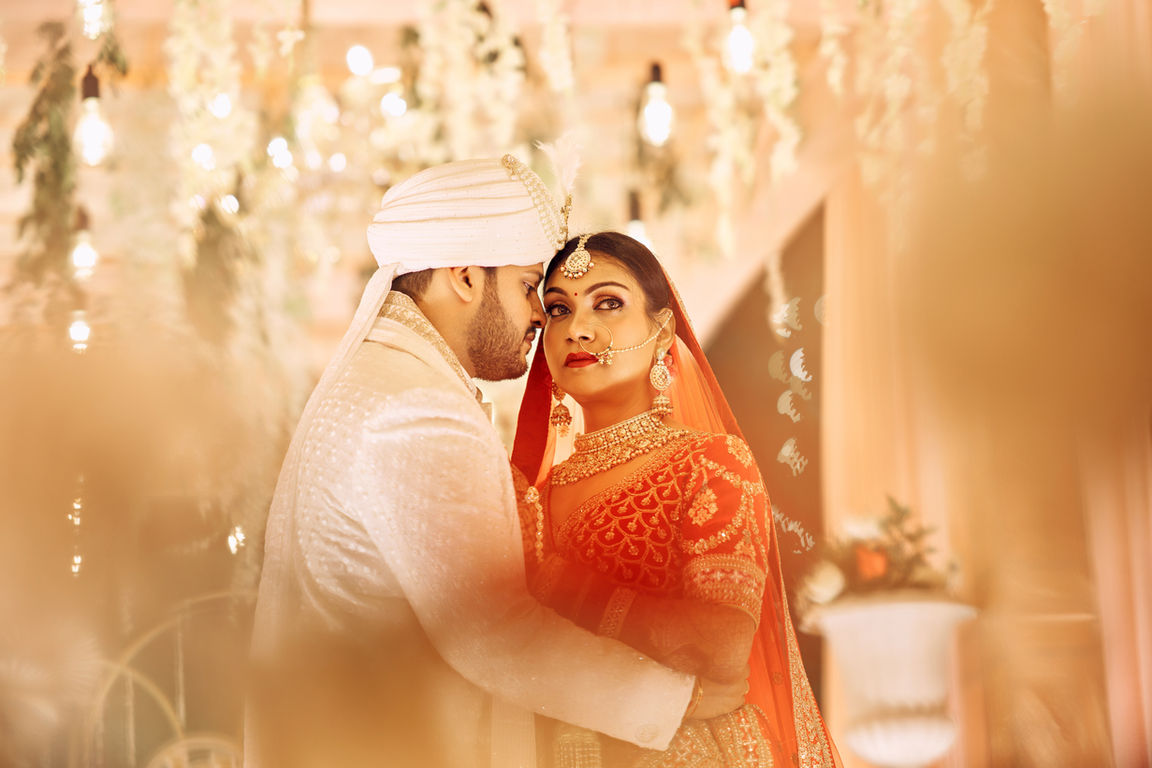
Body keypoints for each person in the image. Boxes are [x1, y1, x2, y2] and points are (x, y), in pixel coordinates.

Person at [245, 159, 744, 768]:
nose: (542, 315)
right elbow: (492, 633)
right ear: (464, 278)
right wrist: (675, 700)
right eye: (532, 288)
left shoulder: (385, 379)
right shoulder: (417, 407)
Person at [511, 232, 841, 767]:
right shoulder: (533, 498)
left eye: (608, 303)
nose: (577, 329)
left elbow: (721, 647)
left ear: (662, 330)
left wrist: (558, 587)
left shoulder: (710, 464)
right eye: (557, 309)